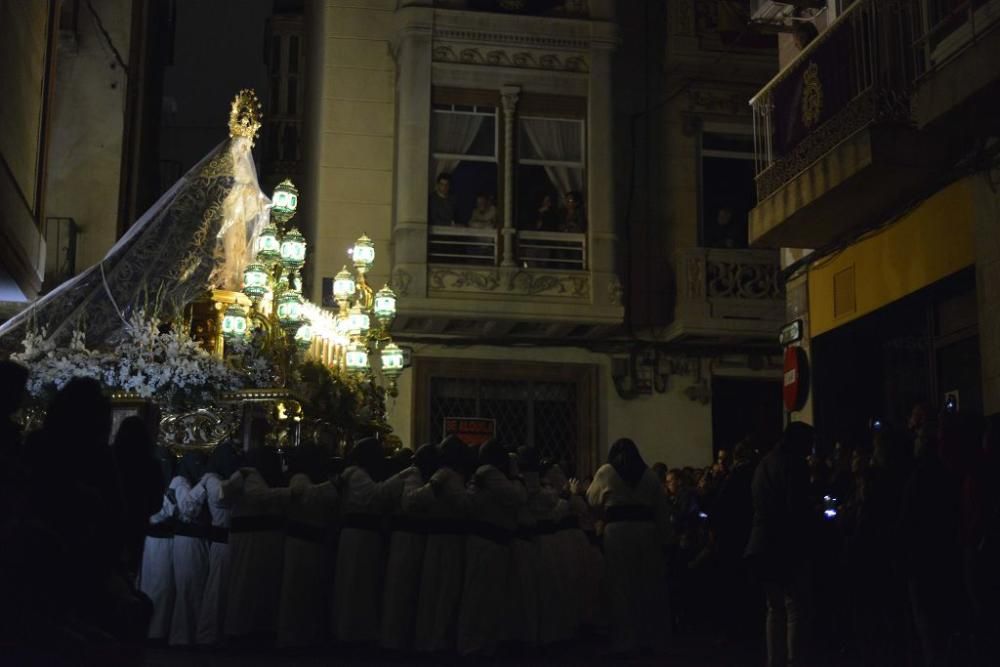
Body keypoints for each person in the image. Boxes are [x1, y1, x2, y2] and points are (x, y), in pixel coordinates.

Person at [587, 438, 671, 655]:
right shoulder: (650, 475)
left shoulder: (607, 472)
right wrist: (666, 540)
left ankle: (625, 639)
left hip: (617, 533)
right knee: (646, 584)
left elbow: (592, 500)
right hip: (646, 532)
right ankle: (648, 637)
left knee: (620, 586)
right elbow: (661, 510)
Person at [745, 422, 816, 667]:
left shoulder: (765, 463)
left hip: (761, 543)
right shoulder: (793, 464)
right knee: (794, 606)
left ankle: (774, 660)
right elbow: (797, 508)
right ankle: (794, 660)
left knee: (774, 608)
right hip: (785, 543)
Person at [457, 439, 526, 656]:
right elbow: (518, 497)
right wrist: (515, 476)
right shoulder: (489, 472)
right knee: (480, 596)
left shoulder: (486, 475)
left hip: (491, 541)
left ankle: (482, 644)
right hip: (487, 541)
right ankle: (473, 646)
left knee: (487, 596)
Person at [224, 446, 290, 641]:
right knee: (249, 583)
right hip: (255, 538)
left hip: (259, 537)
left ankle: (252, 630)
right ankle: (243, 630)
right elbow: (257, 496)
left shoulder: (252, 475)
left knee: (255, 584)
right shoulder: (249, 475)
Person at [332, 436, 393, 645]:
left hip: (363, 536)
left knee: (359, 584)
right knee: (354, 585)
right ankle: (352, 633)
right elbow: (373, 497)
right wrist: (399, 479)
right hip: (358, 535)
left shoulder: (359, 474)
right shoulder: (357, 475)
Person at [413, 435, 470, 653]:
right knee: (444, 589)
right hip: (448, 538)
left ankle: (429, 638)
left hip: (438, 537)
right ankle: (437, 640)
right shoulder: (449, 475)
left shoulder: (440, 475)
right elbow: (465, 504)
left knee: (433, 589)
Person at [278, 446, 338, 648]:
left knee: (307, 590)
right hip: (301, 540)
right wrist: (334, 485)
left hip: (310, 540)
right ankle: (293, 637)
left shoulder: (308, 478)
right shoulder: (300, 478)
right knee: (296, 591)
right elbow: (309, 497)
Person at [380, 443, 439, 651]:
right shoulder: (413, 474)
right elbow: (410, 502)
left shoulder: (409, 474)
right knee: (400, 588)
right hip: (406, 538)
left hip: (408, 537)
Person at [195, 441, 243, 647]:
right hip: (221, 541)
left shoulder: (220, 478)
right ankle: (208, 636)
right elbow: (221, 498)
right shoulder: (213, 479)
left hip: (229, 540)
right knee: (216, 590)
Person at [112, 417, 164, 579]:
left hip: (109, 524)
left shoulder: (110, 458)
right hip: (137, 525)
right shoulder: (152, 465)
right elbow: (156, 504)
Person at [169, 452, 210, 646]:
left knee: (195, 586)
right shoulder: (180, 481)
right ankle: (182, 637)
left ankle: (190, 634)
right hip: (187, 540)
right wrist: (202, 486)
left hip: (196, 540)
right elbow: (188, 509)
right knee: (188, 587)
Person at [140, 449, 178, 641]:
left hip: (165, 541)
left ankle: (158, 632)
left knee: (163, 587)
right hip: (155, 542)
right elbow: (158, 514)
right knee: (154, 586)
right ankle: (150, 632)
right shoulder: (150, 489)